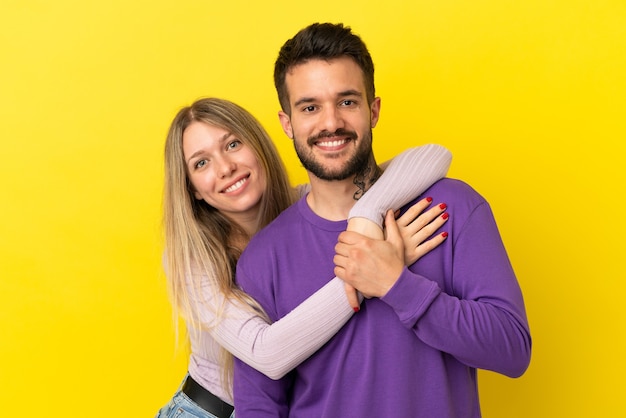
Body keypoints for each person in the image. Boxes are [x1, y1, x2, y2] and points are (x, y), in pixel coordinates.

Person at [232, 23, 532, 417]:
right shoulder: (264, 256)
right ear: (287, 123)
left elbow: (512, 349)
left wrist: (397, 285)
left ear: (373, 110)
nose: (330, 123)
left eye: (347, 102)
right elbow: (258, 407)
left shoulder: (452, 207)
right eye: (309, 107)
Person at [156, 97, 452, 417]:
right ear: (194, 189)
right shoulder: (191, 258)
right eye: (202, 163)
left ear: (257, 145)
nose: (226, 168)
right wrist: (372, 270)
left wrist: (368, 216)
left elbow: (434, 156)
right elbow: (267, 353)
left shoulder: (305, 207)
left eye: (232, 144)